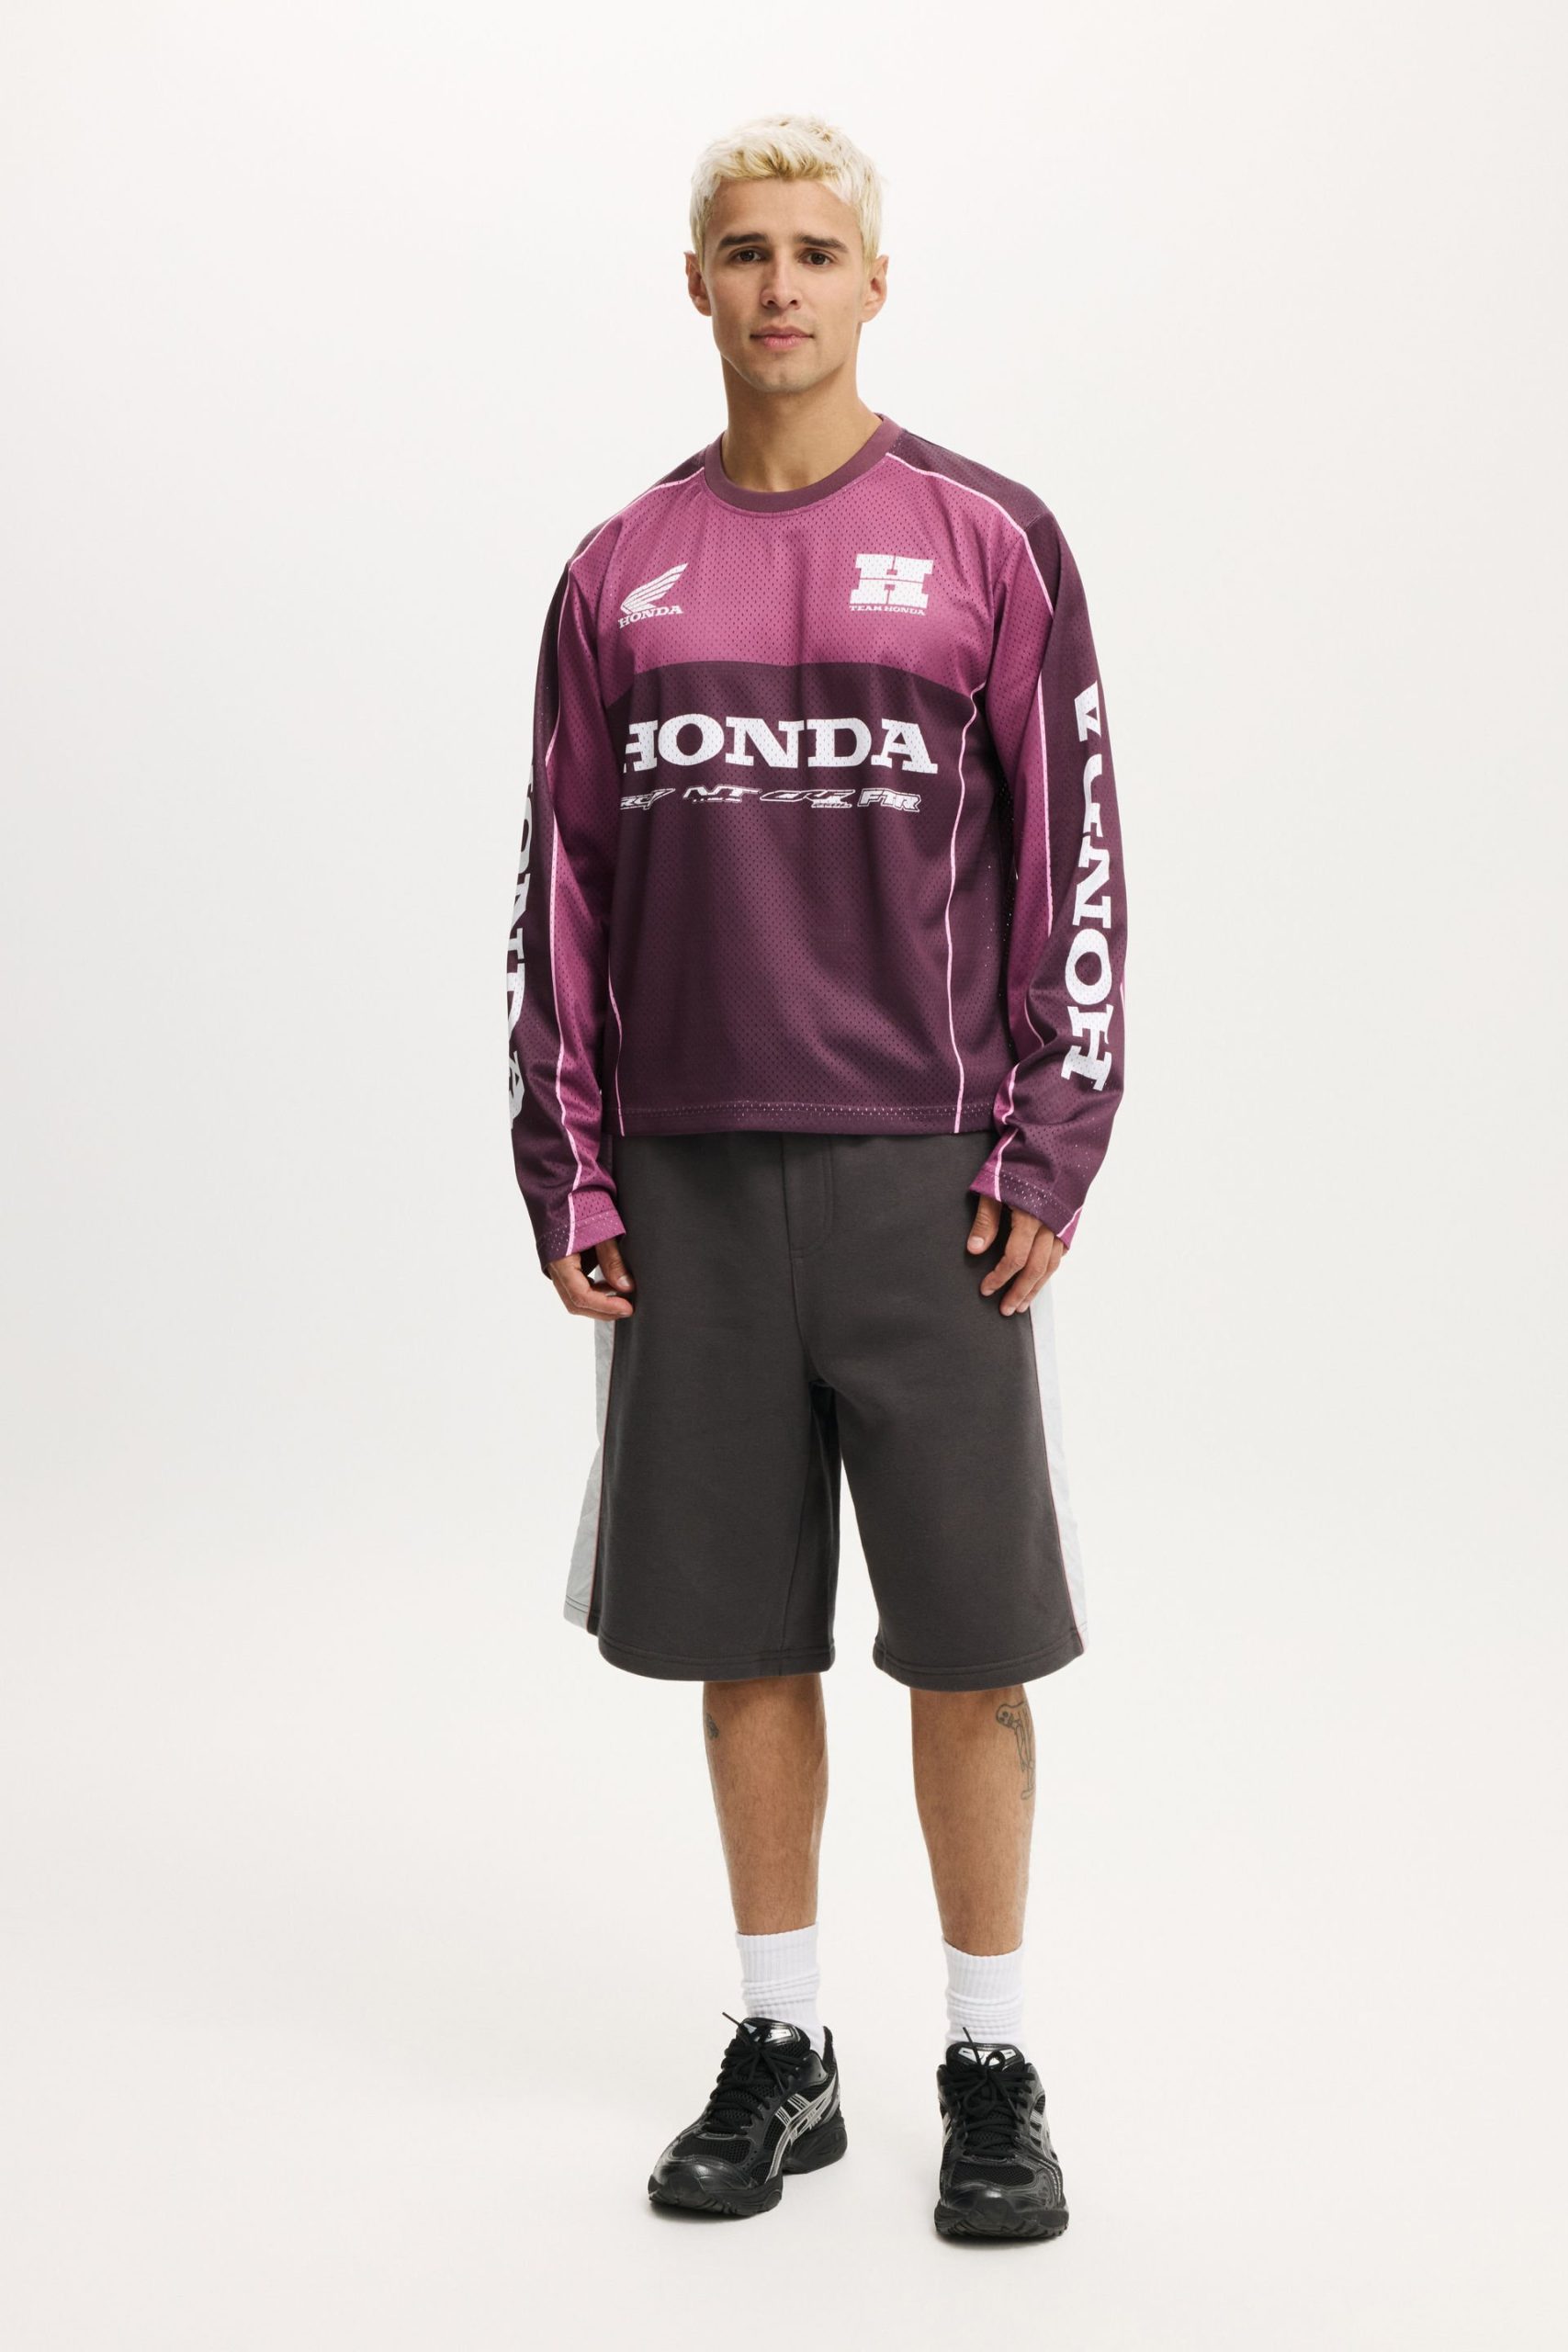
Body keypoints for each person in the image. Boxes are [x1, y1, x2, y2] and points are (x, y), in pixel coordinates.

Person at [505, 111, 1129, 2240]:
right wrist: (568, 1163)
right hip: (685, 1179)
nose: (779, 285)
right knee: (739, 1635)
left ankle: (989, 2059)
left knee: (968, 1643)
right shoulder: (616, 571)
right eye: (744, 251)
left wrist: (1051, 1133)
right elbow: (561, 890)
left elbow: (1076, 864)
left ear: (874, 283)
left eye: (814, 251)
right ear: (695, 285)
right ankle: (784, 2044)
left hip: (925, 1181)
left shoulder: (985, 542)